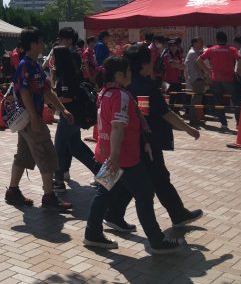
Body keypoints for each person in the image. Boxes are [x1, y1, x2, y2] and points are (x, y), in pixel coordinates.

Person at [83, 55, 185, 254]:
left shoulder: (105, 92)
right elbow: (118, 127)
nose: (131, 74)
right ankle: (156, 240)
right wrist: (115, 156)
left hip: (109, 154)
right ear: (119, 75)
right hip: (123, 157)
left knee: (104, 193)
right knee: (144, 193)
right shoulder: (120, 96)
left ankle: (92, 233)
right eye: (128, 71)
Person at [103, 45, 203, 233]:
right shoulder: (146, 86)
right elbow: (165, 113)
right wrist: (189, 129)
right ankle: (167, 225)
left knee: (118, 182)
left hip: (121, 142)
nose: (153, 63)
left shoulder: (118, 86)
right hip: (145, 143)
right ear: (144, 64)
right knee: (156, 179)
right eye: (151, 60)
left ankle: (108, 217)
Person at [4, 27, 74, 211]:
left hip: (28, 119)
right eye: (41, 41)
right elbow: (24, 92)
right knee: (46, 153)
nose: (44, 45)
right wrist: (35, 117)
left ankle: (12, 191)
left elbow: (46, 91)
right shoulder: (25, 65)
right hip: (30, 118)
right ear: (33, 44)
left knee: (23, 156)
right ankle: (49, 196)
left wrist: (63, 109)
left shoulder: (34, 65)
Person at [52, 46, 99, 194]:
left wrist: (52, 101)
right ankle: (103, 175)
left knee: (59, 148)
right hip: (76, 116)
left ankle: (58, 181)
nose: (52, 59)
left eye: (54, 56)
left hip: (69, 117)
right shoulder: (71, 71)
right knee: (76, 147)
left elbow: (68, 97)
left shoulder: (66, 75)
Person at [197, 31, 241, 130]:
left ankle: (224, 124)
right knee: (236, 101)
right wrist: (237, 73)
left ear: (216, 40)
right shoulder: (232, 49)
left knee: (218, 102)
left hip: (216, 79)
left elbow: (198, 61)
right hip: (229, 79)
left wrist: (208, 70)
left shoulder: (211, 49)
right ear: (226, 40)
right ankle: (239, 123)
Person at [184, 37, 206, 126]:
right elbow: (200, 65)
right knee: (196, 99)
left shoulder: (194, 52)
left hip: (196, 78)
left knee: (197, 99)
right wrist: (207, 71)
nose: (202, 43)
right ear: (195, 43)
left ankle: (194, 118)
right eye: (200, 42)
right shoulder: (193, 53)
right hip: (197, 78)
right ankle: (193, 118)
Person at [162, 40, 185, 112]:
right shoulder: (167, 55)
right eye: (171, 46)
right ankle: (170, 113)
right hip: (168, 81)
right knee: (170, 98)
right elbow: (172, 65)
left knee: (179, 98)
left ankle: (176, 112)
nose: (173, 47)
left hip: (177, 80)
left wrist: (176, 65)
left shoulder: (178, 56)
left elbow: (183, 67)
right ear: (169, 47)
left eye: (175, 46)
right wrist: (178, 65)